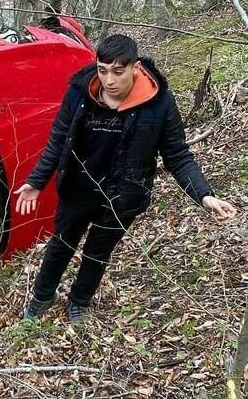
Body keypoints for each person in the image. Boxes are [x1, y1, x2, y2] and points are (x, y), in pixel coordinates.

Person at [15, 34, 237, 323]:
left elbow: (178, 155)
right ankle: (42, 297)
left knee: (97, 252)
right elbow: (58, 140)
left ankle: (79, 302)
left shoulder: (160, 103)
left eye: (118, 72)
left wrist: (204, 195)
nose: (109, 80)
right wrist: (36, 182)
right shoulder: (79, 93)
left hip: (123, 196)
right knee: (61, 245)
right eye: (103, 70)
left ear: (135, 68)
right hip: (78, 188)